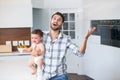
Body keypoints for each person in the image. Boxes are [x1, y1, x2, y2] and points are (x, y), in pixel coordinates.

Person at [42, 12, 96, 80]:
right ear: (51, 20)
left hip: (59, 76)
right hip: (44, 75)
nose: (56, 21)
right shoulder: (42, 35)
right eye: (54, 18)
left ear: (62, 24)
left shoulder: (66, 39)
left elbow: (80, 53)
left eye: (59, 20)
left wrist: (85, 38)